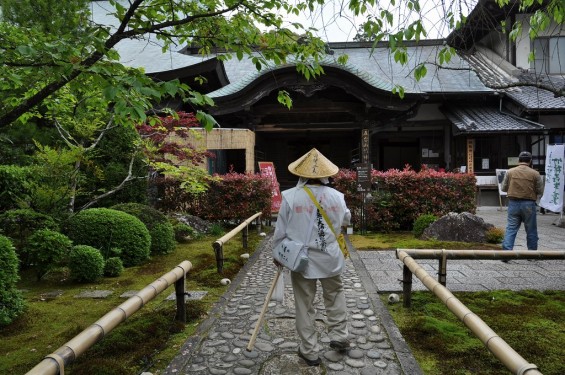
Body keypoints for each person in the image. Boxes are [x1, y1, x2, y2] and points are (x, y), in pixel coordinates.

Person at [272, 148, 352, 366]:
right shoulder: (338, 197)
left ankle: (309, 350)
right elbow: (346, 219)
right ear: (326, 175)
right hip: (331, 258)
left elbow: (280, 232)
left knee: (304, 303)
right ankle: (340, 336)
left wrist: (278, 254)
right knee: (335, 294)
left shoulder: (289, 197)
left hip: (302, 260)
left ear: (301, 174)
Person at [501, 151, 544, 252]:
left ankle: (506, 253)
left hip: (513, 203)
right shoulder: (535, 173)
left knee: (511, 229)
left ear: (519, 160)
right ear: (530, 161)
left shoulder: (510, 172)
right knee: (531, 230)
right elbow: (540, 190)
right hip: (529, 204)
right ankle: (532, 253)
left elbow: (503, 188)